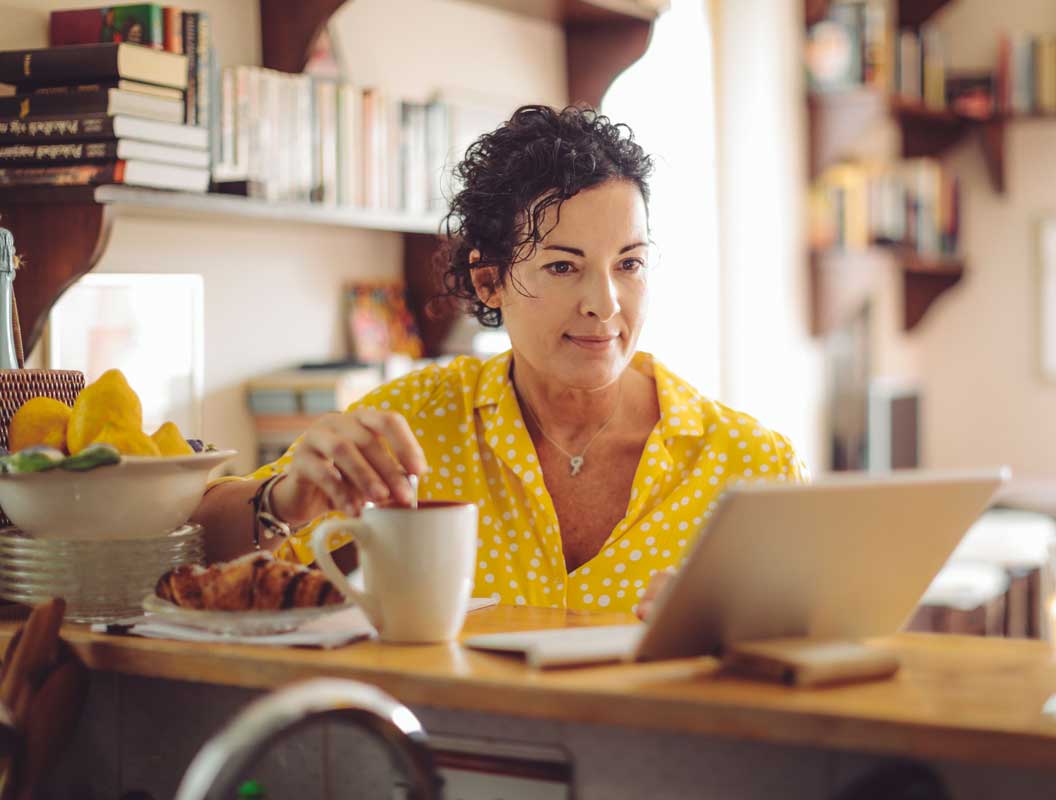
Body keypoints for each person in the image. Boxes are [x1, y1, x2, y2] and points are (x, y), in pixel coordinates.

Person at [192, 105, 807, 616]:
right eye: (563, 266)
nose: (605, 304)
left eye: (630, 262)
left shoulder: (752, 467)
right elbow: (197, 555)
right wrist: (286, 500)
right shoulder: (414, 422)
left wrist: (748, 638)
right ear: (489, 282)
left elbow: (824, 669)